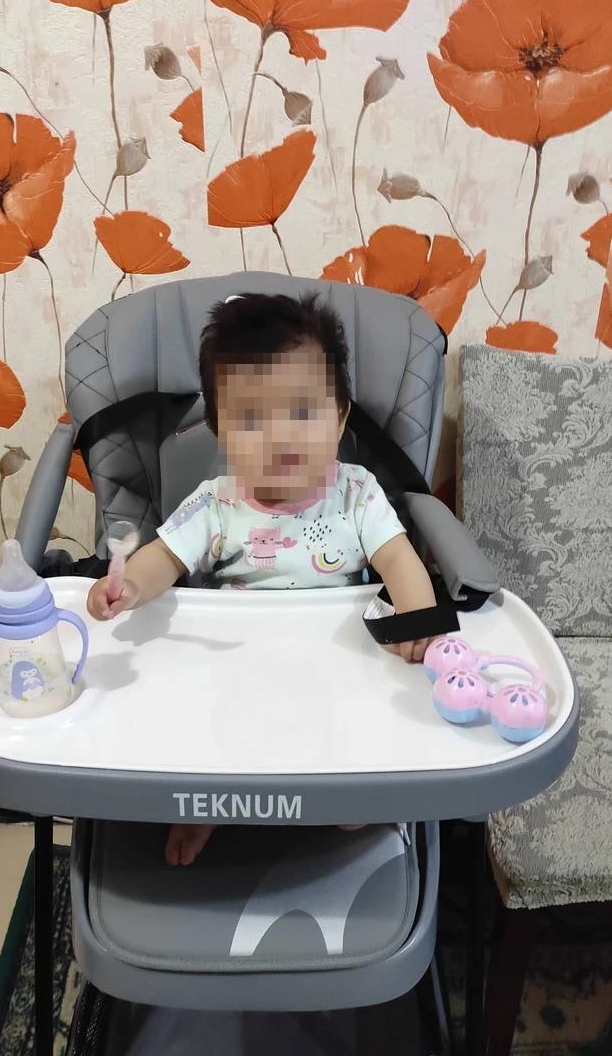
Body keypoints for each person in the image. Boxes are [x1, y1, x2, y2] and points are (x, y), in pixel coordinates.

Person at [87, 293, 438, 864]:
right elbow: (163, 558)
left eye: (302, 412)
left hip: (338, 668)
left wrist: (416, 619)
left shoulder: (356, 493)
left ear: (340, 417)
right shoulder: (216, 504)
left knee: (356, 774)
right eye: (251, 419)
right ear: (219, 431)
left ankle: (346, 790)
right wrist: (129, 588)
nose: (280, 438)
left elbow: (399, 560)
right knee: (205, 742)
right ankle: (211, 808)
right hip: (237, 671)